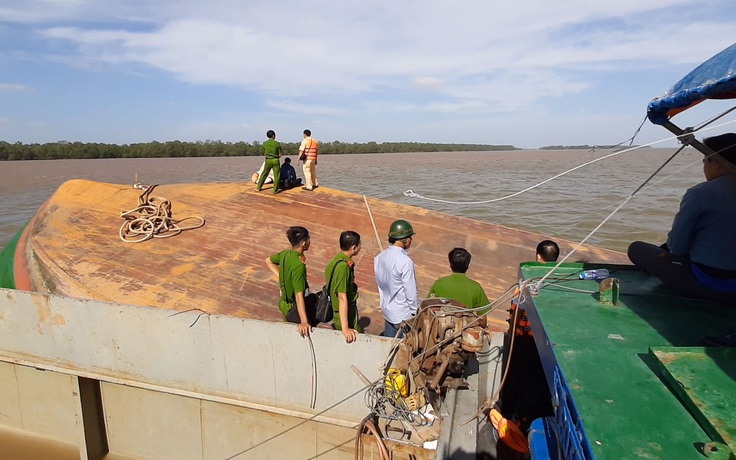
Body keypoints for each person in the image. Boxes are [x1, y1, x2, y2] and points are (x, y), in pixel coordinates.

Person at [628, 133, 736, 302]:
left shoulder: (700, 193)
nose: (704, 164)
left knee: (637, 249)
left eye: (706, 159)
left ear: (718, 164)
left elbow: (677, 248)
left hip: (707, 285)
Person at [265, 226, 315, 337]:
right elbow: (298, 295)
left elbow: (268, 261)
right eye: (308, 239)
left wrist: (282, 278)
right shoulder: (298, 266)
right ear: (304, 243)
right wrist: (304, 321)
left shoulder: (285, 254)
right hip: (293, 308)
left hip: (284, 304)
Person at [374, 219, 419, 338]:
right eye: (410, 237)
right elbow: (411, 292)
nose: (411, 240)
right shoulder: (405, 262)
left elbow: (381, 283)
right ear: (403, 239)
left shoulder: (379, 258)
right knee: (406, 352)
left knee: (390, 348)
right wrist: (415, 313)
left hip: (388, 312)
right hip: (403, 316)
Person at [325, 231, 363, 343]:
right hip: (345, 315)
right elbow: (342, 297)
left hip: (340, 312)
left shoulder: (335, 261)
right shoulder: (343, 267)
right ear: (354, 247)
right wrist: (345, 328)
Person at [428, 248, 490, 315]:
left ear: (450, 265)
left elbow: (428, 306)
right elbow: (483, 316)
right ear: (468, 266)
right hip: (464, 325)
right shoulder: (476, 288)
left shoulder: (439, 284)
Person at [256, 130, 281, 194]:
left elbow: (264, 153)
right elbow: (280, 154)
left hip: (268, 160)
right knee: (276, 175)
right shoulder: (277, 143)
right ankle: (275, 190)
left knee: (264, 173)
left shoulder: (264, 143)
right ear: (273, 136)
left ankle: (258, 187)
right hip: (275, 160)